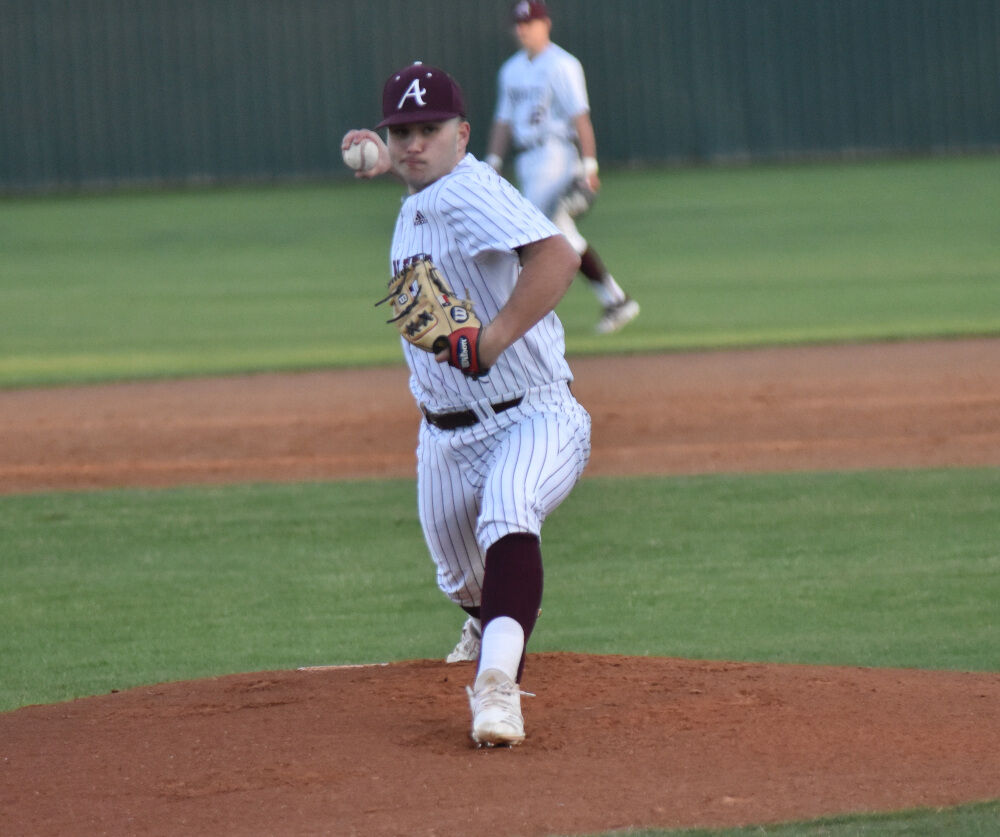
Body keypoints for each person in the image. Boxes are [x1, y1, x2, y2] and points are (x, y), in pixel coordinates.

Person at [341, 61, 591, 747]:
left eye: (430, 129)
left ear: (464, 132)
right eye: (402, 132)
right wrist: (386, 158)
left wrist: (496, 335)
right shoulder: (427, 188)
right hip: (445, 436)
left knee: (509, 508)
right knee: (459, 572)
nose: (415, 143)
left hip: (532, 411)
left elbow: (558, 255)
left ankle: (497, 686)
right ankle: (488, 621)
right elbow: (421, 171)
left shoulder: (469, 189)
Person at [486, 0, 640, 335]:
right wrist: (493, 162)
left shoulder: (562, 64)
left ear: (546, 24)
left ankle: (516, 316)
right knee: (559, 233)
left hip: (555, 154)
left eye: (531, 22)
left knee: (528, 233)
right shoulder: (510, 70)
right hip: (527, 158)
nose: (524, 28)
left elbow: (579, 117)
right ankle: (615, 298)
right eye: (519, 23)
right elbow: (503, 121)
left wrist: (589, 166)